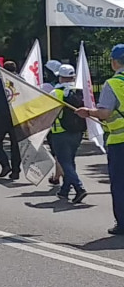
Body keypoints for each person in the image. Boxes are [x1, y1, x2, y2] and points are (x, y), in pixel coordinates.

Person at [77, 44, 124, 234]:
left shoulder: (113, 84)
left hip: (120, 142)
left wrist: (88, 112)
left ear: (114, 62)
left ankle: (122, 224)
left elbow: (104, 113)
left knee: (120, 184)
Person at [48, 64, 87, 203]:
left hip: (60, 132)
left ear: (60, 77)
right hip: (77, 132)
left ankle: (79, 188)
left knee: (64, 162)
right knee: (70, 161)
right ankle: (64, 190)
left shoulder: (56, 92)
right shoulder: (80, 91)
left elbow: (49, 112)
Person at [0, 60, 21, 180]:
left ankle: (5, 164)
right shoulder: (21, 80)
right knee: (16, 145)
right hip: (18, 116)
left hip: (3, 115)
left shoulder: (0, 80)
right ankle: (16, 171)